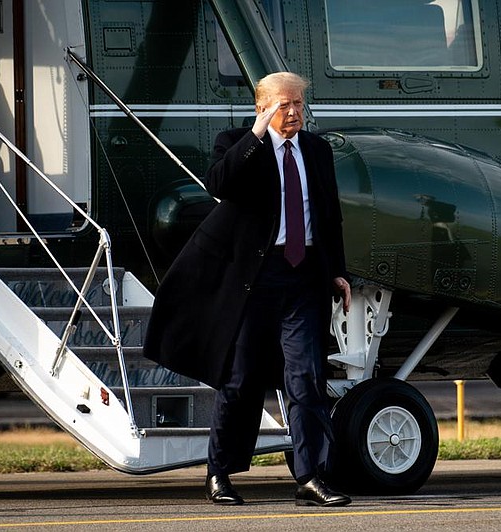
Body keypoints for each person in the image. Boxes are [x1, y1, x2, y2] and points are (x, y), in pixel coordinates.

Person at [143, 71, 352, 507]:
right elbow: (219, 183)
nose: (294, 112)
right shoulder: (238, 142)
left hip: (304, 277)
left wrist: (338, 272)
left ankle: (311, 476)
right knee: (239, 380)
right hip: (254, 280)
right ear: (262, 107)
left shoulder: (316, 150)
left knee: (307, 380)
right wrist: (258, 133)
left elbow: (329, 216)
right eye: (283, 105)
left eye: (298, 104)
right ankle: (219, 473)